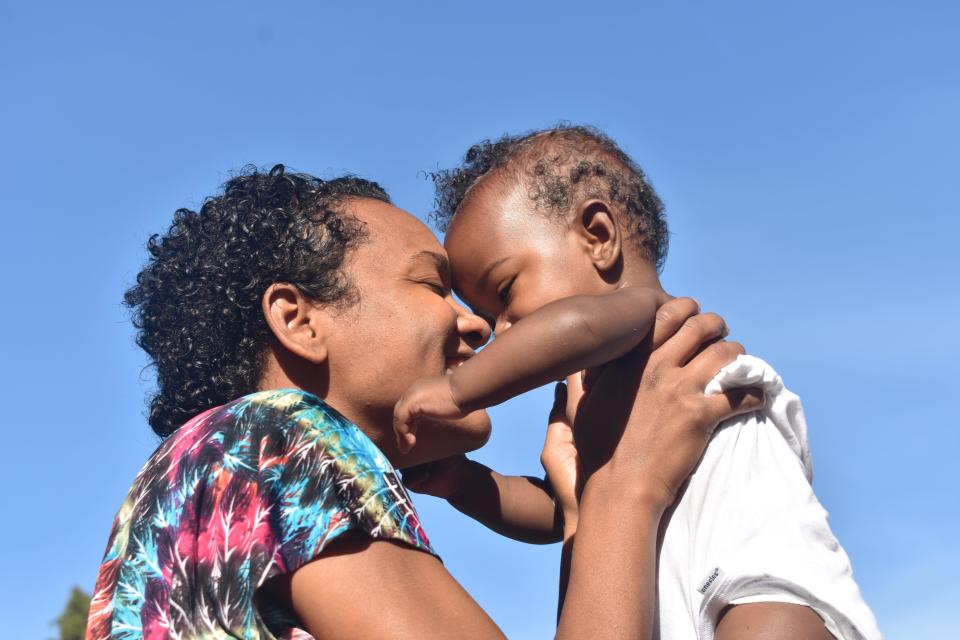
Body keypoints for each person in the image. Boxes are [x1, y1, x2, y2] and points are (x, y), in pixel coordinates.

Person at [86, 164, 759, 639]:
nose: (475, 323)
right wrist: (625, 487)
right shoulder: (279, 436)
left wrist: (586, 514)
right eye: (432, 285)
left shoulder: (202, 474)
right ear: (299, 321)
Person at [395, 126, 882, 639]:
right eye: (490, 318)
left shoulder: (647, 325)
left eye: (505, 292)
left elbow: (573, 327)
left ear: (599, 237)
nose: (504, 332)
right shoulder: (594, 390)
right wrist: (466, 485)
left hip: (758, 583)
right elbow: (568, 510)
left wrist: (457, 389)